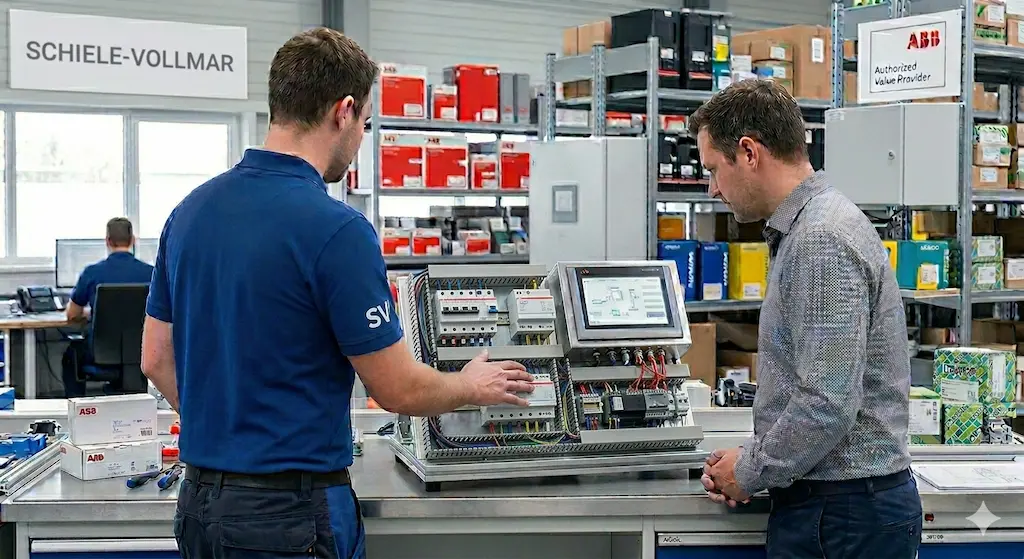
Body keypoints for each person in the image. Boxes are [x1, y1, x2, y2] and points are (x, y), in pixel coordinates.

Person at [140, 28, 534, 559]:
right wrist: (470, 384)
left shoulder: (189, 213)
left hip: (199, 507)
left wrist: (227, 433)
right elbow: (397, 389)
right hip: (290, 517)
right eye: (366, 122)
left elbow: (155, 358)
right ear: (343, 111)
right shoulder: (337, 229)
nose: (361, 137)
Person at [688, 80, 921, 559]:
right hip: (838, 507)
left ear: (749, 153)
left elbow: (826, 402)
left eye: (713, 169)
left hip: (842, 514)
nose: (713, 189)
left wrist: (748, 471)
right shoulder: (808, 228)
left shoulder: (821, 238)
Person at [62, 217, 154, 397]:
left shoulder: (92, 273)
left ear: (107, 241)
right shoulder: (152, 273)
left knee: (71, 354)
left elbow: (72, 314)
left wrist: (93, 313)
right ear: (133, 240)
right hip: (143, 353)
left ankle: (76, 406)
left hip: (101, 354)